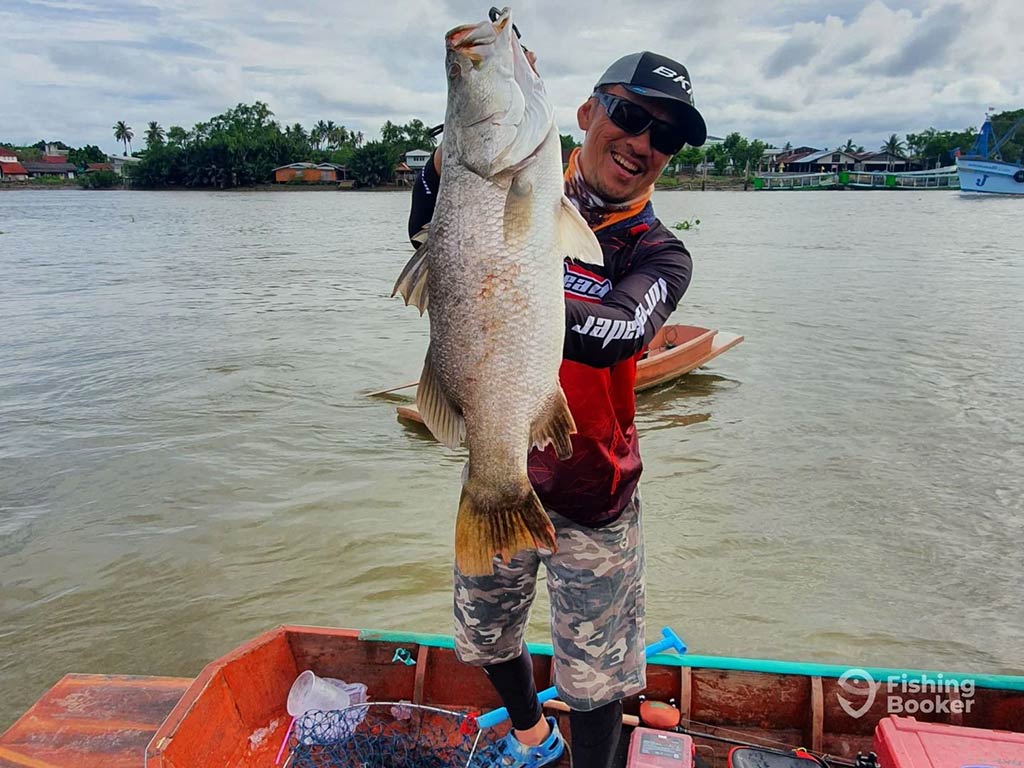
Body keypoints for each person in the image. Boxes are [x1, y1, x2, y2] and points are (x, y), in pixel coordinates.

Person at [408, 50, 707, 768]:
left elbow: (622, 333)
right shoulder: (510, 189)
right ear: (586, 114)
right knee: (484, 635)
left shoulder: (661, 253)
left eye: (663, 137)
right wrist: (451, 162)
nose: (641, 143)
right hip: (501, 467)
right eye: (630, 117)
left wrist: (508, 283)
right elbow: (431, 231)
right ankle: (533, 735)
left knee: (596, 676)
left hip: (595, 494)